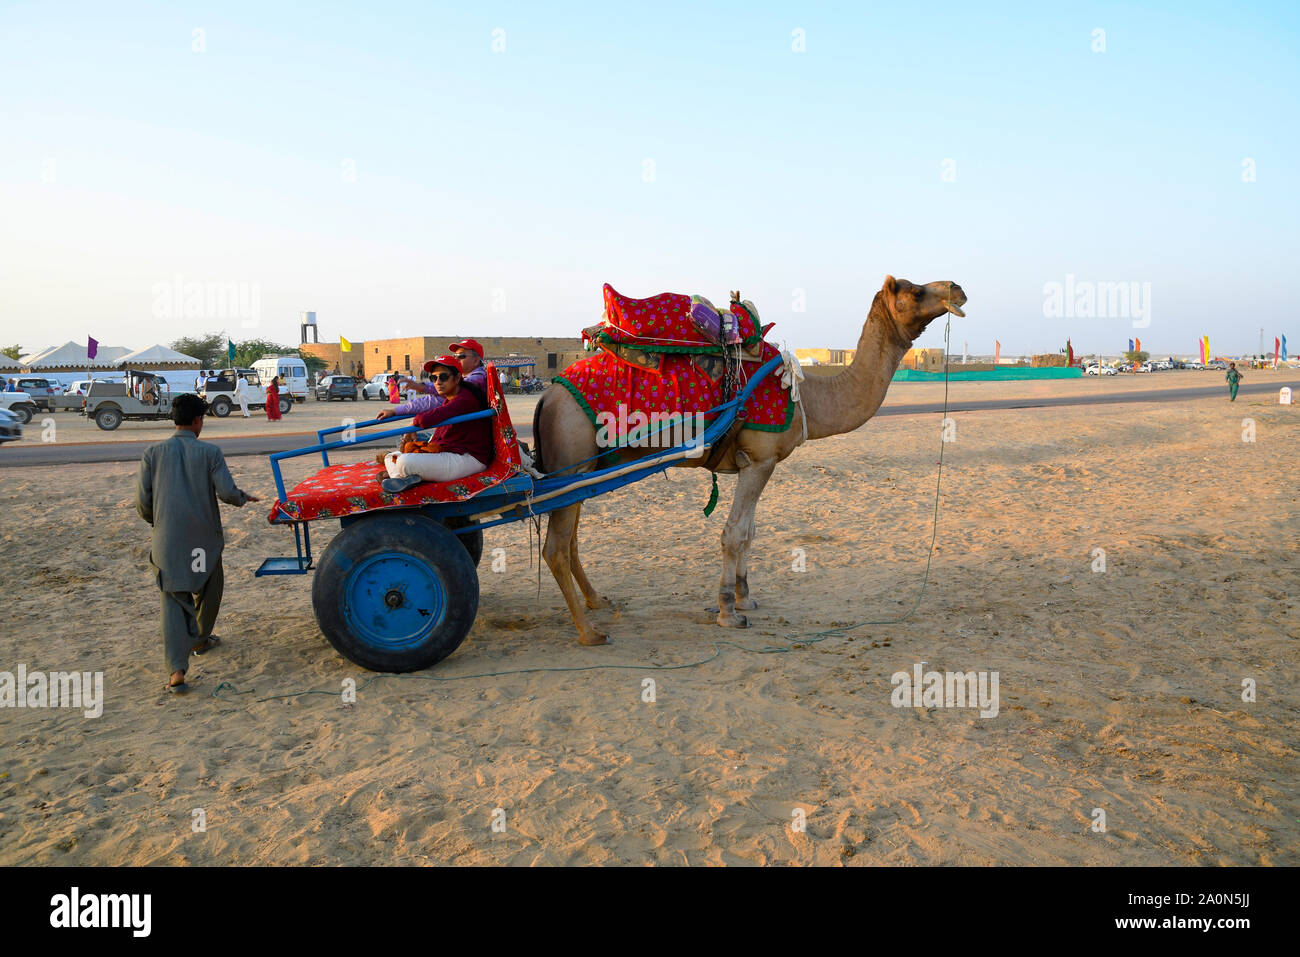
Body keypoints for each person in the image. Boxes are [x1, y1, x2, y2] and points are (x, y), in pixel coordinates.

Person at [135, 393, 260, 694]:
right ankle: (201, 638)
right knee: (208, 584)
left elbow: (143, 503)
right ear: (196, 421)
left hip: (168, 544)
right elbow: (228, 492)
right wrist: (243, 497)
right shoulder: (209, 452)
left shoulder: (152, 453)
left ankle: (177, 671)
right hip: (201, 546)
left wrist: (160, 523)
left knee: (175, 600)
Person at [380, 355, 494, 492]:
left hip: (469, 459)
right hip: (451, 452)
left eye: (443, 377)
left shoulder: (465, 398)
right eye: (434, 378)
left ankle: (400, 478)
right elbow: (427, 407)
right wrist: (396, 412)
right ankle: (401, 479)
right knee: (391, 457)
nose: (438, 382)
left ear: (457, 378)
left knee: (404, 462)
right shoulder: (450, 397)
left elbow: (431, 417)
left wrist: (413, 425)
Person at [380, 339, 488, 422]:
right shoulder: (462, 385)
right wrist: (396, 411)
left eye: (461, 356)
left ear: (475, 360)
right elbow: (430, 401)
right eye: (434, 378)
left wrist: (414, 420)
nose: (456, 359)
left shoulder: (476, 380)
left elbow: (433, 404)